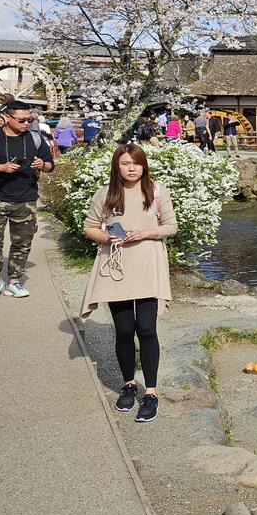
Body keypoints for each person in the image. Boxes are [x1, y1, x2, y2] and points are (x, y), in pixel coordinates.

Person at [80, 144, 177, 423]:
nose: (131, 168)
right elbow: (89, 227)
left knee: (146, 328)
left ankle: (151, 392)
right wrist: (107, 238)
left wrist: (145, 232)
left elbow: (171, 226)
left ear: (144, 165)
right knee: (124, 330)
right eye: (125, 163)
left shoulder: (157, 191)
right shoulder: (106, 193)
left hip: (148, 262)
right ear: (117, 166)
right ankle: (128, 384)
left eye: (136, 163)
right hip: (116, 266)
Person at [0, 101, 55, 300]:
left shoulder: (35, 139)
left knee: (22, 243)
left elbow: (50, 165)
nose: (26, 123)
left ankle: (14, 280)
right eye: (22, 120)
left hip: (26, 199)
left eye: (29, 120)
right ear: (7, 118)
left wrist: (43, 164)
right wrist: (1, 168)